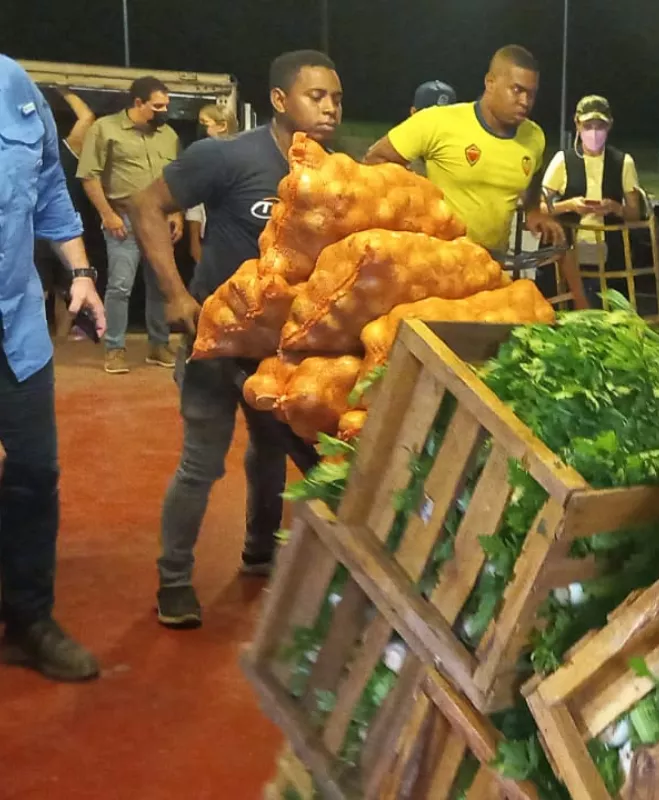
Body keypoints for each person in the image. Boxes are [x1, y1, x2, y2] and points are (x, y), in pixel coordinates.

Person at [127, 50, 343, 629]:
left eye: (336, 99)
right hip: (213, 343)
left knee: (271, 451)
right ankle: (174, 580)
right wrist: (175, 294)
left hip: (280, 352)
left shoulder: (334, 174)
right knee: (202, 463)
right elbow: (147, 206)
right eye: (315, 96)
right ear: (279, 100)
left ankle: (258, 552)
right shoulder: (225, 157)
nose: (328, 109)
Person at [0, 55, 108, 682]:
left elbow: (48, 192)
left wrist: (83, 274)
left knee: (34, 476)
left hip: (15, 328)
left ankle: (28, 621)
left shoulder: (15, 86)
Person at [362, 46, 566, 254]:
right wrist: (409, 202)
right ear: (490, 83)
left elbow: (534, 174)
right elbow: (375, 158)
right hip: (439, 260)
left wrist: (534, 211)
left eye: (531, 94)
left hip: (493, 264)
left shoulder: (534, 137)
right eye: (517, 90)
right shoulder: (438, 121)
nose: (525, 102)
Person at [77, 76, 182, 374]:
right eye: (158, 106)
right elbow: (89, 176)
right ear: (138, 103)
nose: (164, 111)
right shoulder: (105, 129)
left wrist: (175, 214)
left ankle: (159, 345)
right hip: (123, 217)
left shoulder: (168, 135)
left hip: (159, 220)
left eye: (167, 105)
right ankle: (115, 348)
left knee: (161, 284)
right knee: (120, 286)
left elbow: (173, 179)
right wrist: (107, 214)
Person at [541, 95, 643, 304]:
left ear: (610, 125)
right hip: (567, 257)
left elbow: (636, 214)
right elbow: (540, 207)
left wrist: (615, 208)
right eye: (588, 125)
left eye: (600, 126)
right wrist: (569, 206)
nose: (594, 132)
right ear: (577, 124)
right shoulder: (563, 160)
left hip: (609, 261)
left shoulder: (623, 162)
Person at [34, 86, 97, 340]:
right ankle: (36, 340)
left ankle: (59, 345)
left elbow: (87, 117)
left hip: (66, 232)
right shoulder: (12, 151)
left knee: (67, 290)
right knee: (37, 290)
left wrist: (63, 89)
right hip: (31, 233)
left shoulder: (64, 149)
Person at [184, 103, 240, 264]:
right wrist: (194, 242)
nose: (200, 127)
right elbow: (195, 204)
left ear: (222, 126)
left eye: (204, 123)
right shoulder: (200, 156)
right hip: (210, 238)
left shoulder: (242, 154)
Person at [406, 80, 457, 177]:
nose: (436, 125)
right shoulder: (393, 153)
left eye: (444, 118)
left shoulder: (461, 156)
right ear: (413, 113)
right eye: (429, 117)